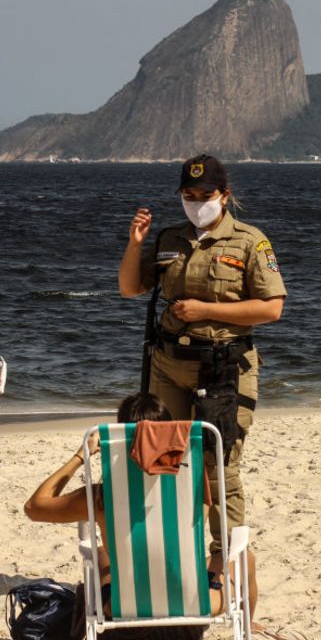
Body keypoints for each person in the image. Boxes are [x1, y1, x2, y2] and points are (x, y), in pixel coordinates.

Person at [116, 154, 286, 574]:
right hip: (168, 364)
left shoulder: (250, 242)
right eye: (188, 196)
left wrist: (207, 310)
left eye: (204, 195)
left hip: (224, 369)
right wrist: (135, 243)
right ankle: (171, 555)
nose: (196, 202)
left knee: (218, 466)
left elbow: (271, 308)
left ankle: (223, 563)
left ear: (224, 195)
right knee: (160, 457)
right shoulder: (170, 239)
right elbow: (129, 289)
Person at [23, 392, 257, 640]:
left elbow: (34, 507)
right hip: (195, 604)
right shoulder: (192, 485)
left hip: (122, 607)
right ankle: (247, 630)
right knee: (245, 556)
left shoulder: (103, 496)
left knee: (101, 553)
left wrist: (81, 457)